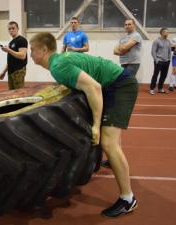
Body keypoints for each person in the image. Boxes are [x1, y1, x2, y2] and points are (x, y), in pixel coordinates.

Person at [30, 32, 138, 218]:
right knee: (111, 139)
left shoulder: (58, 67)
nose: (30, 54)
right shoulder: (58, 61)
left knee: (108, 143)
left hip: (120, 85)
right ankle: (114, 161)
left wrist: (96, 125)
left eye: (33, 50)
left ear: (44, 50)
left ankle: (128, 199)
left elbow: (94, 87)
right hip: (114, 82)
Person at [0, 21, 28, 90]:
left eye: (13, 28)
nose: (11, 30)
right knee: (11, 94)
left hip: (18, 71)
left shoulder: (22, 40)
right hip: (11, 72)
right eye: (9, 29)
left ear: (17, 29)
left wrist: (8, 50)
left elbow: (22, 56)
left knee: (19, 94)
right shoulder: (11, 42)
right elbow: (10, 59)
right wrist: (4, 72)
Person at [149, 28, 172, 95]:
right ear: (161, 33)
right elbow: (153, 51)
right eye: (166, 32)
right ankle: (152, 89)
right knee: (155, 75)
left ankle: (160, 88)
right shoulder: (156, 41)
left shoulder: (168, 41)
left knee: (164, 76)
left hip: (166, 62)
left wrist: (169, 59)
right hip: (159, 61)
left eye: (168, 32)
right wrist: (156, 60)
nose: (167, 33)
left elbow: (169, 51)